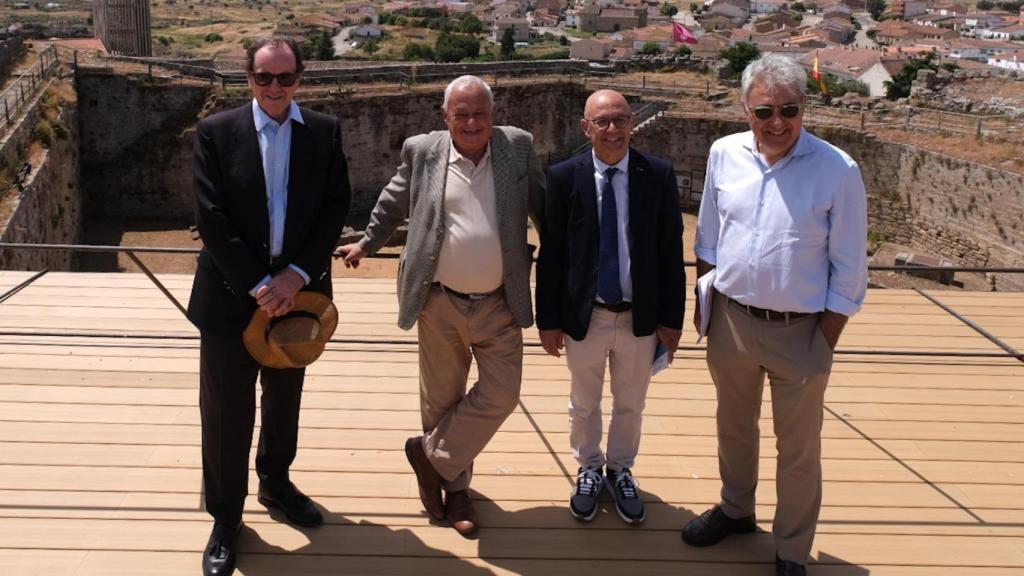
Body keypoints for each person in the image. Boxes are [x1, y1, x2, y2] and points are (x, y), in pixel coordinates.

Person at [334, 75, 544, 538]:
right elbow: (394, 198)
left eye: (480, 113)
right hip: (440, 300)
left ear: (494, 114)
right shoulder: (424, 150)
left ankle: (429, 457)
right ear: (445, 115)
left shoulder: (517, 148)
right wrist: (367, 243)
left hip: (499, 301)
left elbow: (544, 210)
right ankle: (457, 489)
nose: (471, 122)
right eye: (461, 113)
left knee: (503, 394)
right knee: (441, 400)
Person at [682, 54, 868, 576]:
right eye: (764, 110)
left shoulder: (837, 169)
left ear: (804, 107)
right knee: (734, 427)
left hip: (802, 331)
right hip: (733, 322)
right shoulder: (724, 154)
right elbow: (709, 239)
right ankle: (736, 509)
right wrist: (711, 309)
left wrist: (824, 339)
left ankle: (791, 549)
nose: (778, 122)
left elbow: (850, 266)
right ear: (746, 109)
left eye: (789, 109)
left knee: (799, 449)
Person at [187, 36, 351, 576]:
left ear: (300, 78)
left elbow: (335, 208)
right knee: (226, 412)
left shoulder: (324, 133)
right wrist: (263, 285)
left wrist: (295, 277)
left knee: (284, 403)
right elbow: (211, 217)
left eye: (285, 77)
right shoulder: (216, 132)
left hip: (298, 296)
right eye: (264, 77)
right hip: (234, 298)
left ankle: (277, 486)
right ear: (248, 78)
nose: (275, 87)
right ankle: (225, 517)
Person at [535, 89, 685, 525]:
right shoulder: (563, 177)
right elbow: (553, 254)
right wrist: (549, 320)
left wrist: (671, 320)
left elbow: (669, 250)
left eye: (620, 119)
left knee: (630, 402)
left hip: (640, 315)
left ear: (633, 122)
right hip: (588, 313)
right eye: (602, 121)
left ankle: (620, 470)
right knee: (583, 403)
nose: (613, 129)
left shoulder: (657, 174)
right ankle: (588, 467)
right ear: (587, 128)